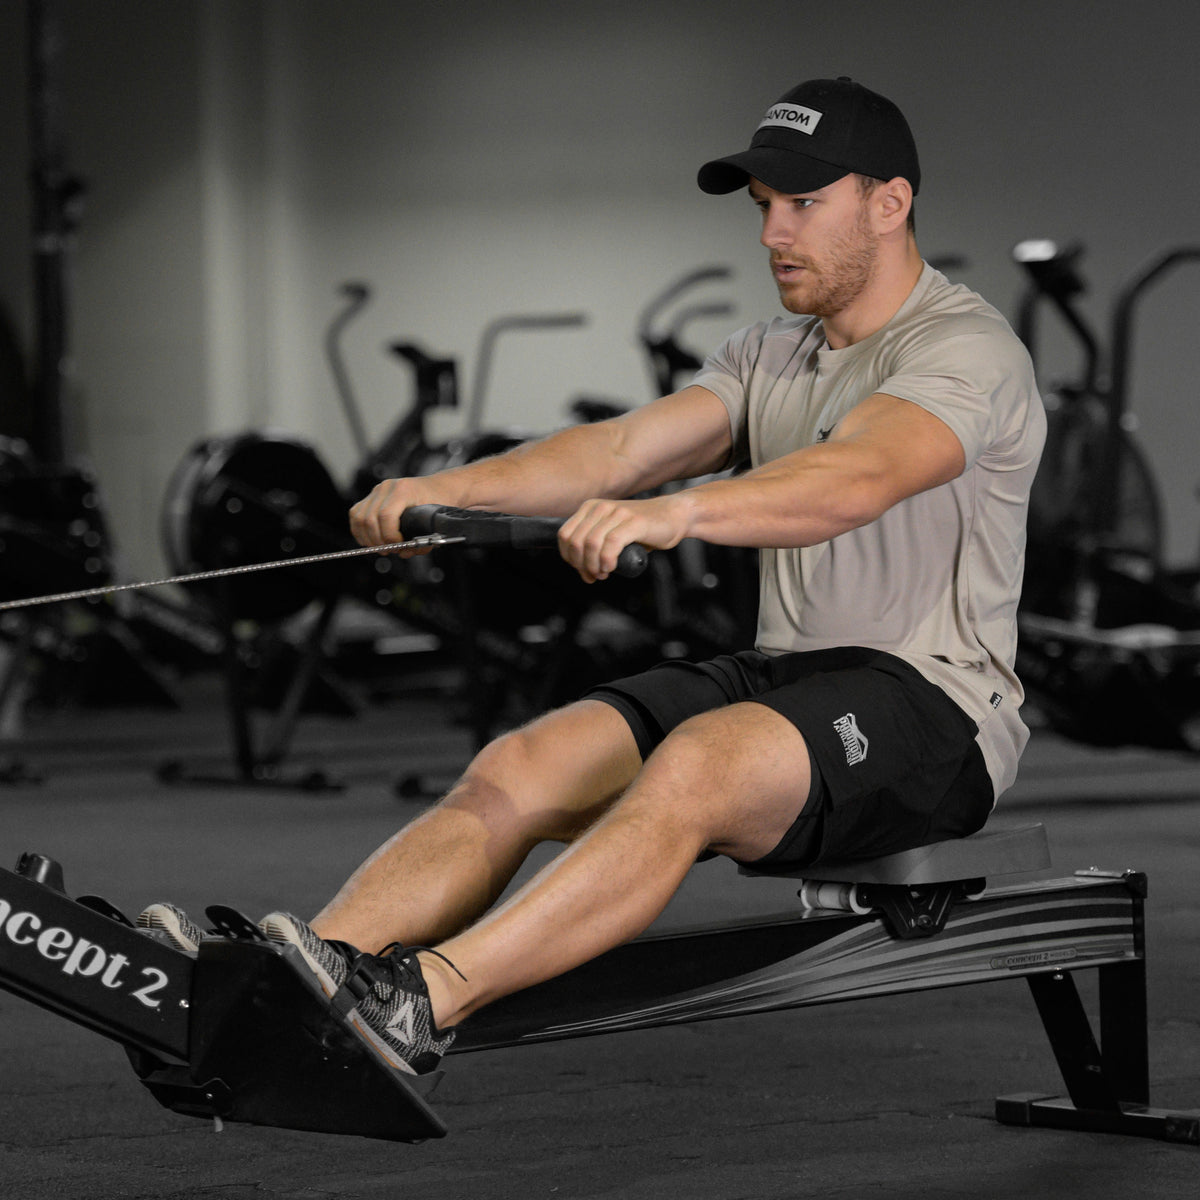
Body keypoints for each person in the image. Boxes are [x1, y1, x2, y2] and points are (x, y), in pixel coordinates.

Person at [139, 76, 1045, 1077]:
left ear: (890, 203)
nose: (772, 234)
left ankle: (420, 1002)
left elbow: (861, 474)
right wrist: (444, 489)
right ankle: (289, 985)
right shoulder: (770, 353)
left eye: (803, 203)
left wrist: (680, 510)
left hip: (936, 706)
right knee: (525, 764)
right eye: (763, 207)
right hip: (789, 675)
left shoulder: (964, 348)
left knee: (698, 763)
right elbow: (616, 451)